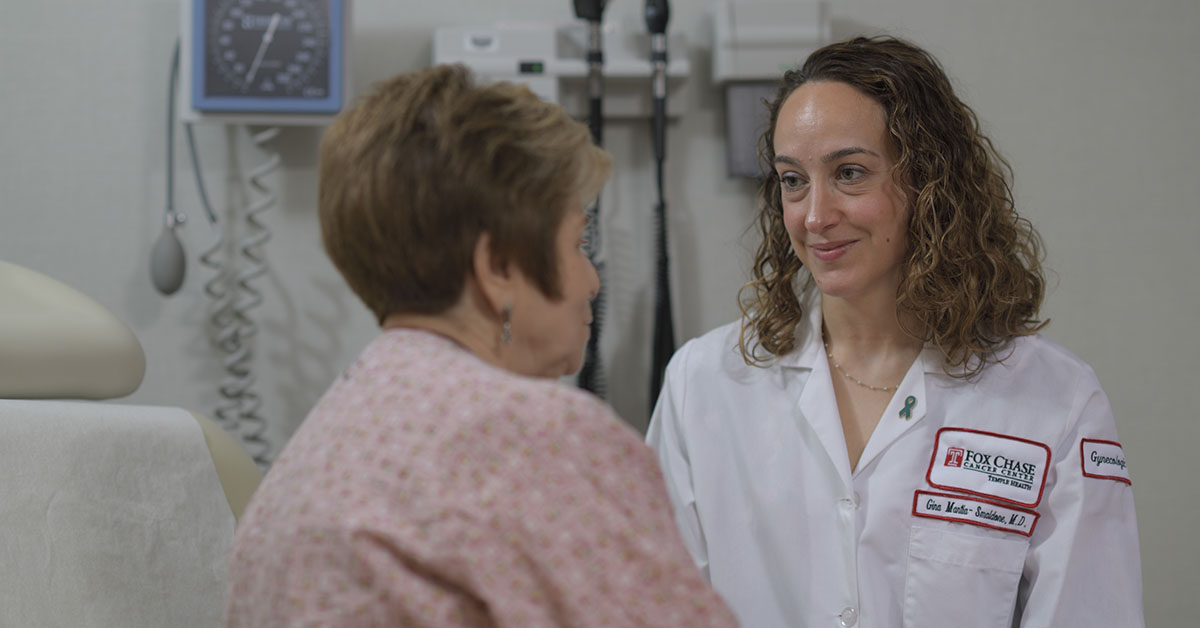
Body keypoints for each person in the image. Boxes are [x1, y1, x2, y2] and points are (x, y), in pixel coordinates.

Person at [646, 36, 1144, 627]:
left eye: (849, 173)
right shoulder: (704, 384)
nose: (814, 216)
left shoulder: (1053, 400)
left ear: (930, 184)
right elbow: (656, 608)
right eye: (792, 180)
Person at [225, 64, 737, 627]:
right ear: (497, 267)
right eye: (577, 243)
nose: (592, 280)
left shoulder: (309, 455)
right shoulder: (537, 437)